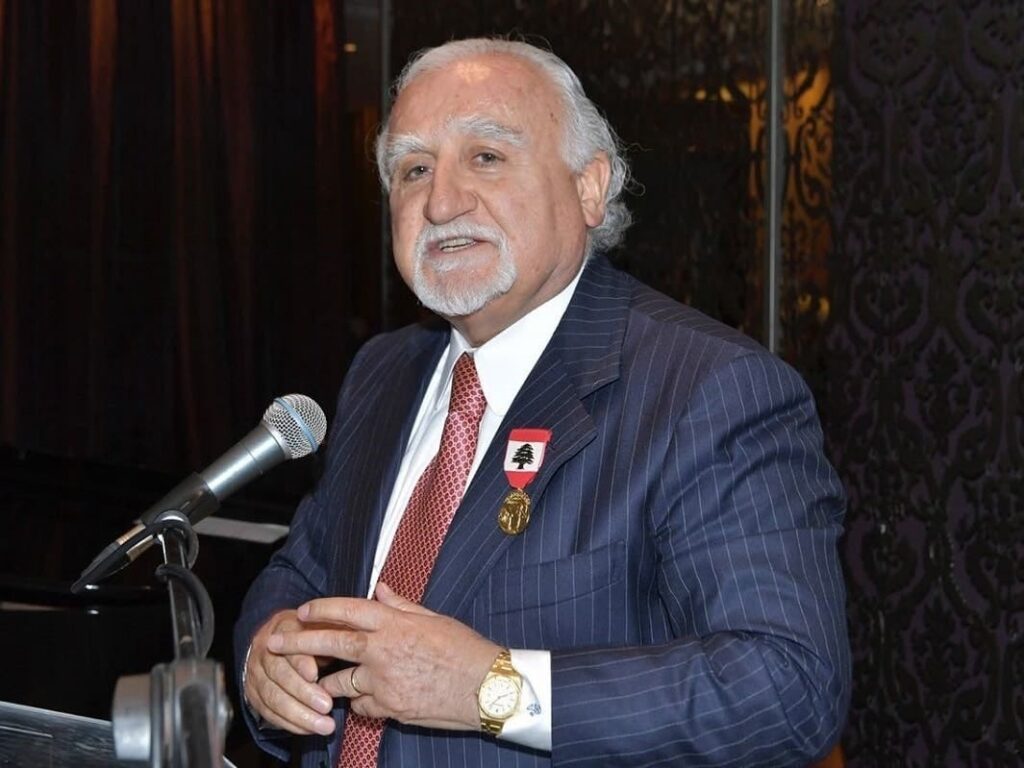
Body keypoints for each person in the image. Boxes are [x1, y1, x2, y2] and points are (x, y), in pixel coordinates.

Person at [235, 37, 850, 767]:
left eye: (486, 157)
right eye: (414, 169)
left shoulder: (707, 389)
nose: (441, 201)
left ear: (590, 188)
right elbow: (305, 571)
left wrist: (492, 689)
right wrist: (266, 653)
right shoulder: (383, 371)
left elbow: (787, 687)